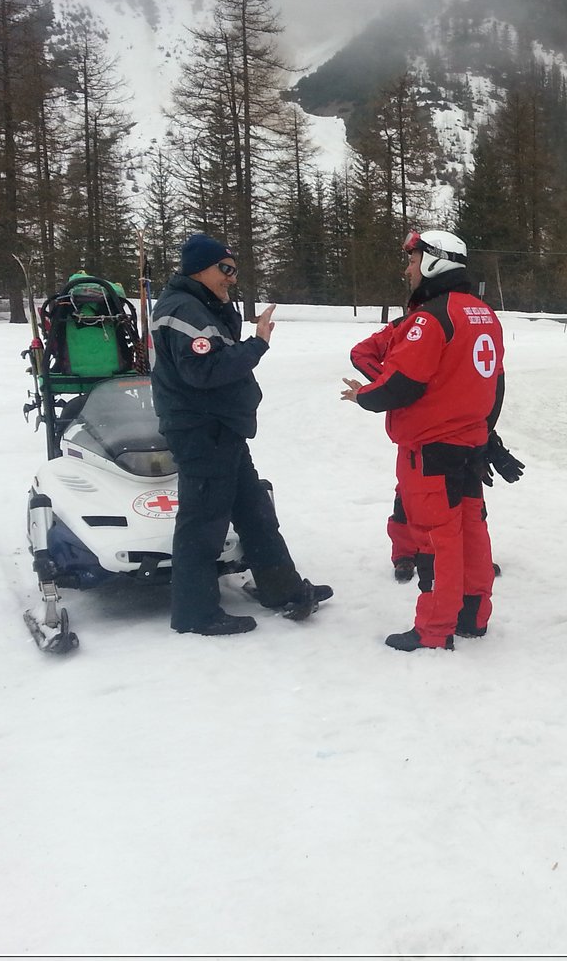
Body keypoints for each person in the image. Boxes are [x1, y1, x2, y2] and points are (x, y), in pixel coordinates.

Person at [150, 233, 331, 636]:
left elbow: (214, 353)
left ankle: (281, 589)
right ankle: (195, 613)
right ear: (200, 267)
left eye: (234, 271)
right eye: (225, 269)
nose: (232, 278)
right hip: (200, 430)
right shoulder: (183, 310)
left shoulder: (201, 307)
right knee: (203, 523)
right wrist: (258, 344)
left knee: (255, 512)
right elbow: (205, 370)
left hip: (222, 428)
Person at [341, 230, 507, 651]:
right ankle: (473, 615)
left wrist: (363, 395)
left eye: (413, 260)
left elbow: (399, 387)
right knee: (472, 532)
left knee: (437, 539)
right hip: (469, 445)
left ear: (435, 261)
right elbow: (496, 384)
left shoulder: (429, 319)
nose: (407, 268)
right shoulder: (484, 314)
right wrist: (485, 434)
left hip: (431, 451)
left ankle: (434, 629)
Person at [349, 320, 422, 582]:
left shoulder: (450, 321)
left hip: (450, 423)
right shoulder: (401, 326)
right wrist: (387, 384)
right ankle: (404, 553)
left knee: (458, 496)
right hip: (411, 428)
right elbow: (360, 352)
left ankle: (464, 554)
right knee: (407, 495)